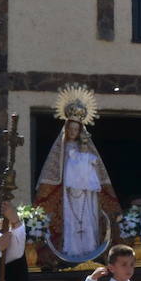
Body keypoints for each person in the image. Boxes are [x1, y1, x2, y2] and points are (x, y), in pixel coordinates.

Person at [33, 84, 121, 262]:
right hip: (68, 193)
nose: (73, 133)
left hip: (87, 194)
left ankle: (90, 251)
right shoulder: (61, 151)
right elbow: (54, 172)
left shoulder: (87, 152)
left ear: (81, 131)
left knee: (88, 220)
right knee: (71, 222)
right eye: (70, 130)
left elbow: (96, 176)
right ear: (66, 130)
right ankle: (71, 252)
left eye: (76, 130)